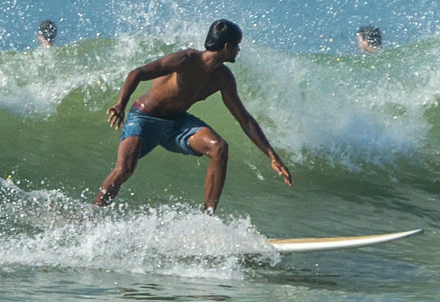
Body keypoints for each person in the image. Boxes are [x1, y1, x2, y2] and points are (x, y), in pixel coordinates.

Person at [95, 19, 292, 213]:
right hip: (144, 117)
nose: (238, 50)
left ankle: (208, 216)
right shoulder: (186, 60)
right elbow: (137, 73)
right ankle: (94, 214)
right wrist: (121, 103)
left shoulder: (223, 77)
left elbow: (245, 120)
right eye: (237, 46)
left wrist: (272, 156)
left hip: (176, 124)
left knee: (219, 148)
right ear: (226, 46)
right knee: (124, 169)